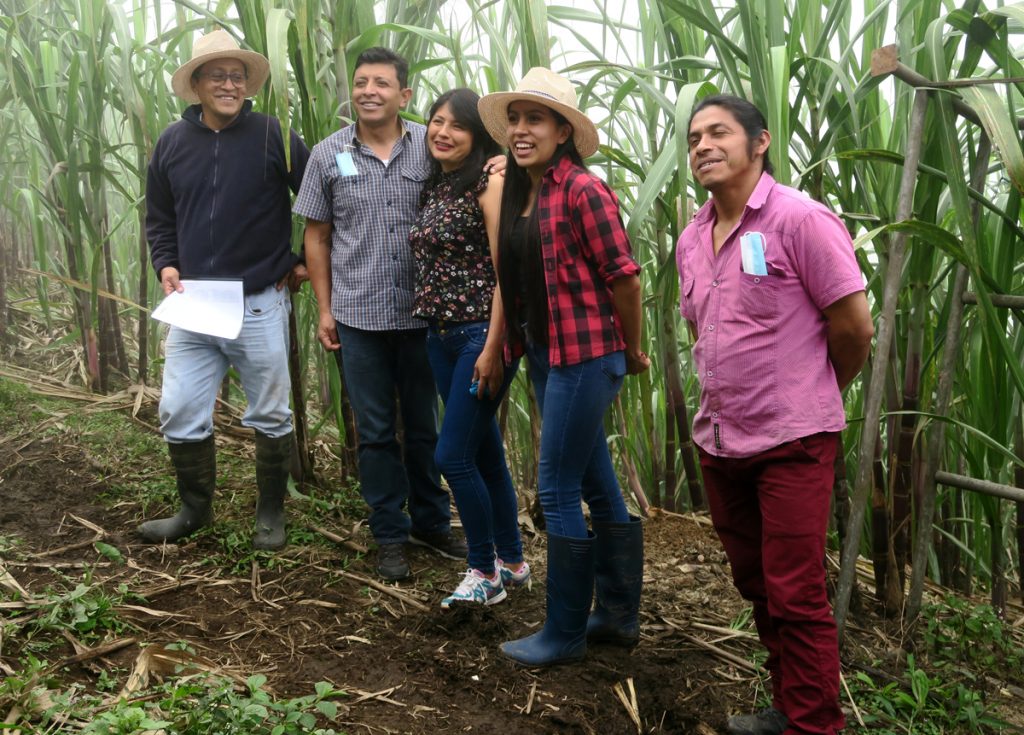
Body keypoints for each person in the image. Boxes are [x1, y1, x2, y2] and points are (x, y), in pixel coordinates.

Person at [677, 95, 873, 735]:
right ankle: (791, 704)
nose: (703, 144)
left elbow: (853, 328)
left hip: (792, 440)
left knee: (796, 592)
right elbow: (702, 329)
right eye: (695, 136)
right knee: (758, 583)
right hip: (721, 442)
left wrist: (811, 391)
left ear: (759, 142)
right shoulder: (691, 239)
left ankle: (815, 724)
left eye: (719, 132)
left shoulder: (800, 220)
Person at [478, 67, 650, 666]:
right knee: (597, 484)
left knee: (555, 488)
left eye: (536, 120)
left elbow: (624, 277)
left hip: (587, 356)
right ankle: (618, 618)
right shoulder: (528, 192)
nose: (522, 130)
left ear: (563, 131)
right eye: (516, 120)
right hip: (550, 356)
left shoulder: (582, 189)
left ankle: (564, 631)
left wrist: (631, 349)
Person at [294, 48, 474, 582]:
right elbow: (317, 235)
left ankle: (432, 523)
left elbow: (477, 184)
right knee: (374, 432)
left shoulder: (433, 144)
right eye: (361, 82)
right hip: (358, 316)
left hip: (425, 318)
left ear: (404, 94)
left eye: (381, 83)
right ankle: (389, 535)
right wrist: (325, 309)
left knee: (424, 427)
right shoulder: (328, 155)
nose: (369, 91)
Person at [141, 29, 310, 551]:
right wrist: (165, 263)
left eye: (237, 76)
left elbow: (323, 196)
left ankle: (270, 513)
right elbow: (159, 216)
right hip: (194, 304)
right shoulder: (171, 142)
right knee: (179, 407)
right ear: (196, 84)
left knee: (271, 412)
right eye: (218, 75)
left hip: (258, 302)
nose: (230, 84)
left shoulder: (272, 135)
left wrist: (304, 260)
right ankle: (194, 510)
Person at [408, 88, 529, 608]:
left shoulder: (489, 181)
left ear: (478, 137)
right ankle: (513, 561)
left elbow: (508, 269)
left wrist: (494, 346)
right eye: (436, 121)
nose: (443, 132)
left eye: (457, 126)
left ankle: (483, 570)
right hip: (441, 334)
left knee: (451, 455)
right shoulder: (438, 185)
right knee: (483, 454)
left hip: (480, 334)